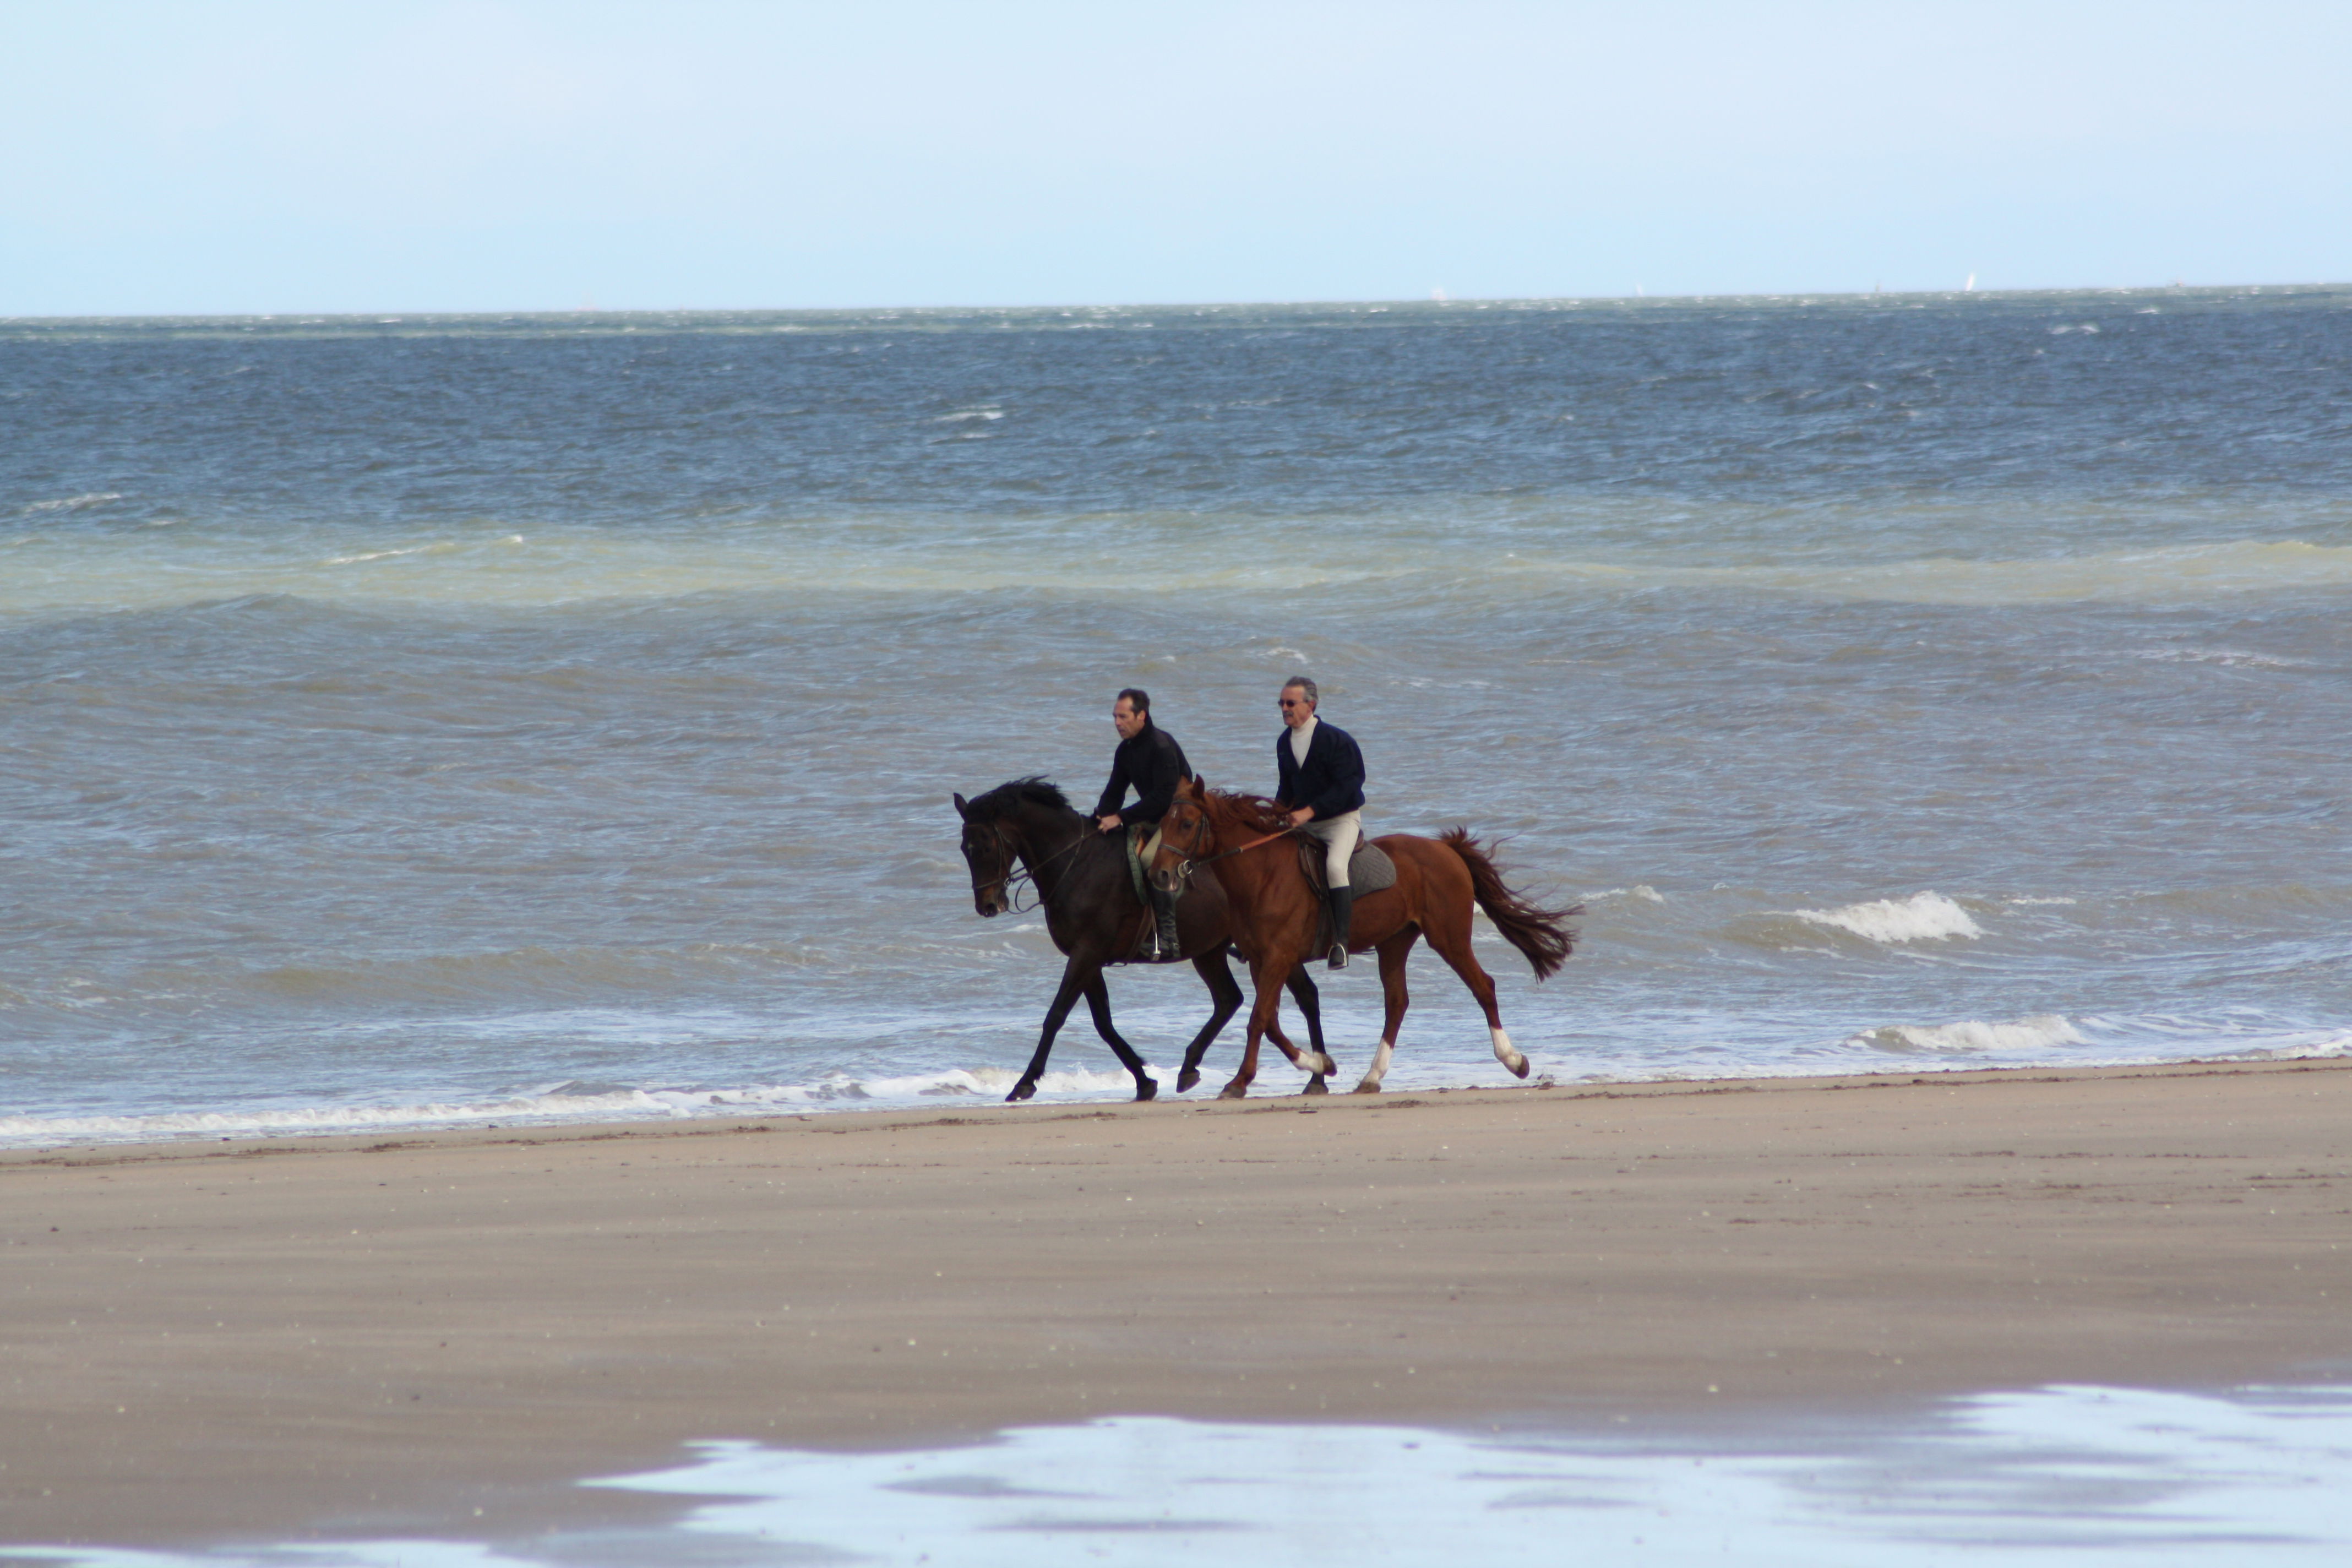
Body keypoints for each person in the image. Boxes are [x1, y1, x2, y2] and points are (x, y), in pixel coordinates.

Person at [1273, 676, 1366, 968]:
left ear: (1311, 704)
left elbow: (1349, 786)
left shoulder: (1336, 740)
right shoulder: (1284, 742)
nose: (1285, 708)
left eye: (1291, 703)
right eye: (1281, 703)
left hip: (1340, 822)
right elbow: (1286, 788)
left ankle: (1341, 943)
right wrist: (1276, 814)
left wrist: (1309, 812)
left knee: (1335, 868)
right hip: (1303, 822)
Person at [1093, 687, 1192, 960]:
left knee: (1151, 860)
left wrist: (1122, 818)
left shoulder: (1161, 746)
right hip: (1150, 818)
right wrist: (1100, 818)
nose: (1117, 723)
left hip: (1176, 820)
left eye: (1123, 717)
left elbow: (1162, 798)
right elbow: (1115, 790)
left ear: (1142, 716)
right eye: (1115, 717)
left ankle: (1169, 939)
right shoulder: (1125, 750)